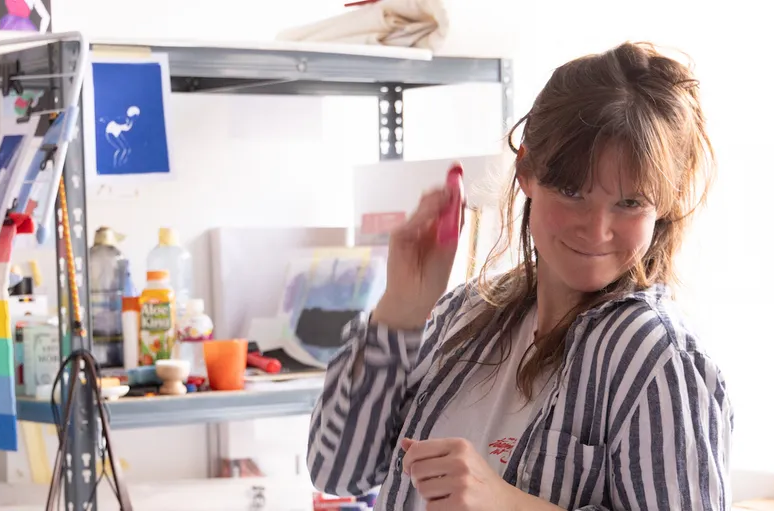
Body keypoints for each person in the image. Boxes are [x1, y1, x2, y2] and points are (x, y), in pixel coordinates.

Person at [308, 41, 734, 511]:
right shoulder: (463, 315)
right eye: (572, 191)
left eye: (629, 203)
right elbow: (338, 471)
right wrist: (400, 312)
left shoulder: (655, 359)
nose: (596, 230)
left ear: (664, 202)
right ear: (527, 170)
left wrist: (507, 504)